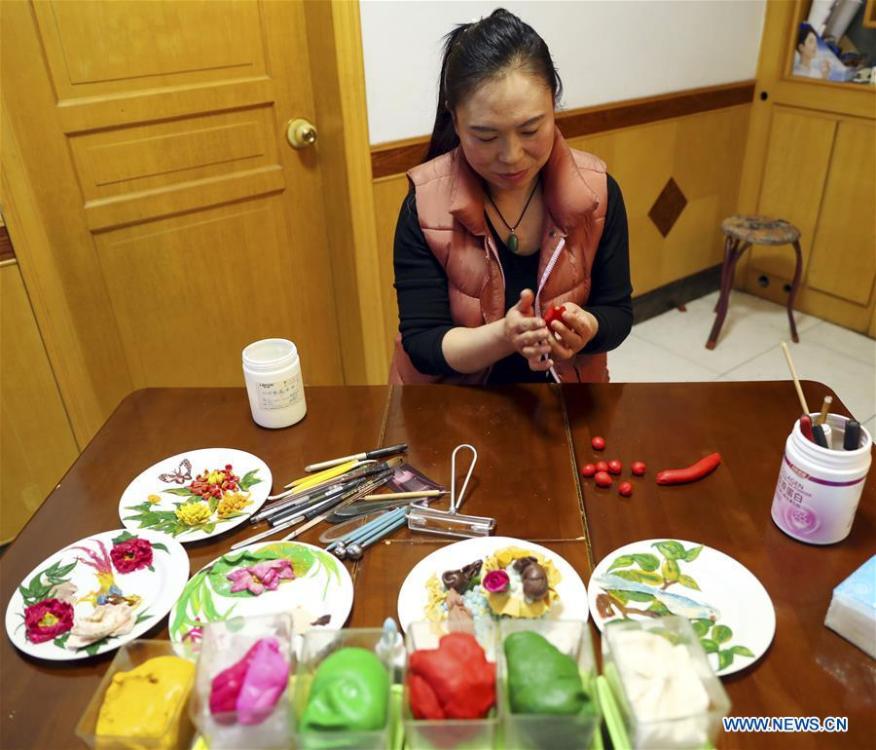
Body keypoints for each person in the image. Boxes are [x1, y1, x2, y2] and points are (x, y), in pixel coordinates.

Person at [390, 8, 632, 385]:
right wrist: (504, 336)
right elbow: (423, 344)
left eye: (531, 129)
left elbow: (617, 311)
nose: (511, 156)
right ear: (455, 120)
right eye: (486, 137)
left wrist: (588, 326)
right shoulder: (424, 205)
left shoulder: (596, 193)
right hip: (454, 407)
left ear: (554, 105)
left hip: (565, 403)